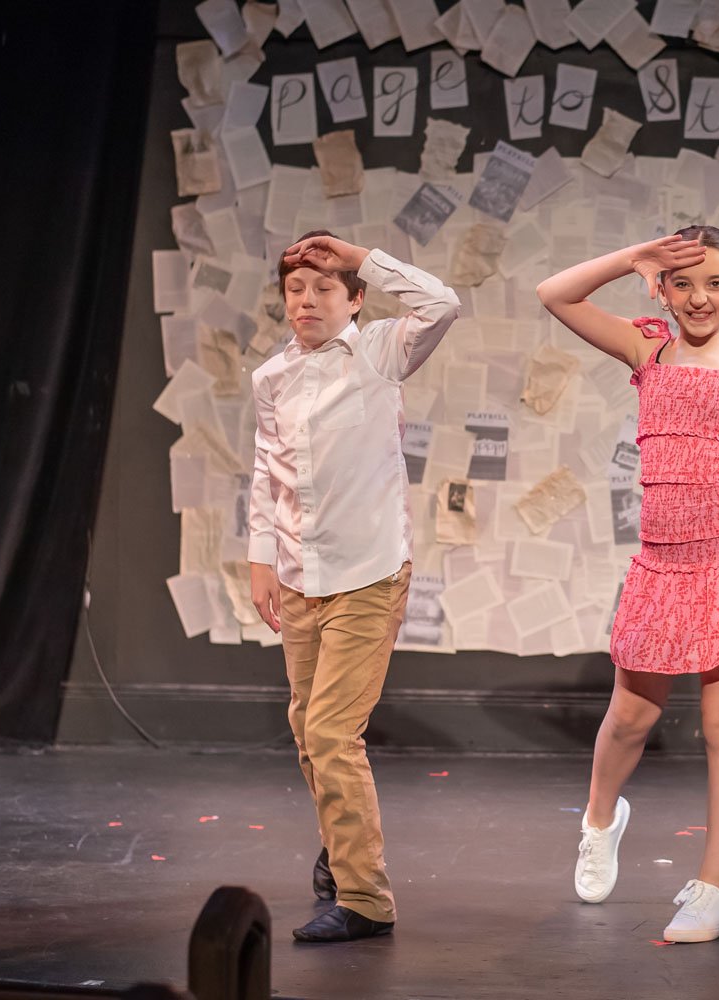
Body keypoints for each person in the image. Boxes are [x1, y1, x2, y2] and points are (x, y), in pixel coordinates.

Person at [536, 226, 719, 943]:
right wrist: (631, 258)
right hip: (664, 563)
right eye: (683, 282)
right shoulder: (646, 347)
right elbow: (553, 294)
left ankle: (716, 890)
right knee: (631, 718)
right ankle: (599, 818)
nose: (700, 297)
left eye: (715, 283)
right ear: (662, 289)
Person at [248, 231, 461, 942]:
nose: (307, 301)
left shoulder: (379, 352)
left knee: (334, 732)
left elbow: (443, 303)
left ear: (355, 298)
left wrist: (356, 252)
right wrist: (259, 558)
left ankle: (366, 898)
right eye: (296, 290)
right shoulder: (271, 377)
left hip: (369, 573)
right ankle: (344, 850)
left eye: (324, 288)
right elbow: (264, 472)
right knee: (308, 732)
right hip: (301, 573)